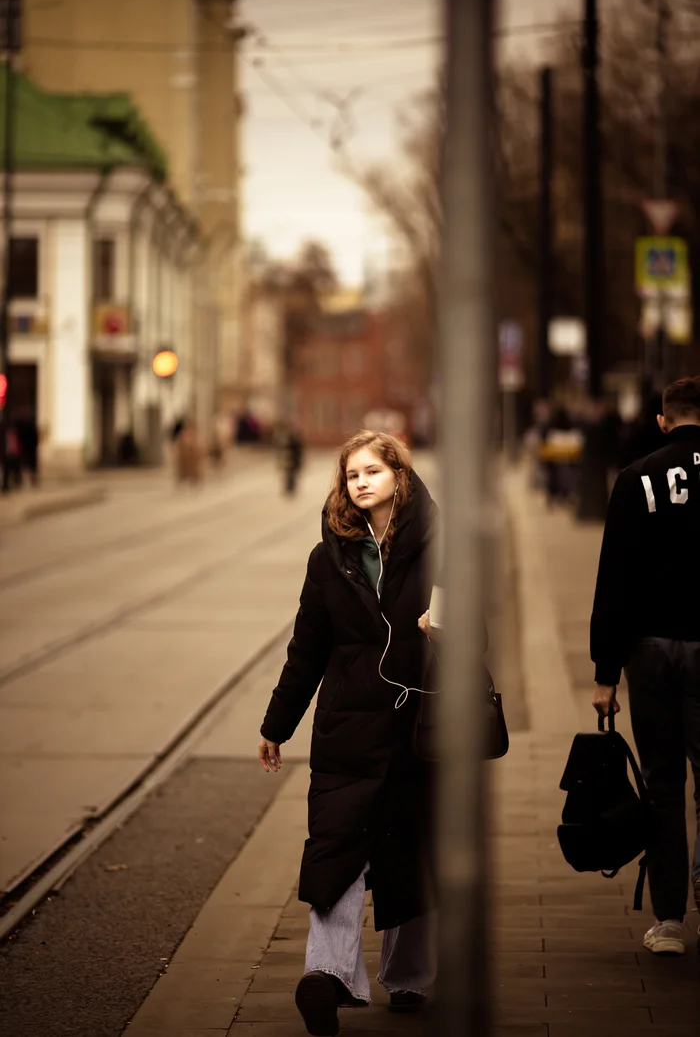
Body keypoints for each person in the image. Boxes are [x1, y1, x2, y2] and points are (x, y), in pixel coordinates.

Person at [258, 431, 438, 1035]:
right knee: (337, 848)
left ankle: (409, 976)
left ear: (399, 477)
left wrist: (448, 633)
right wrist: (277, 725)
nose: (360, 482)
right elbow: (306, 649)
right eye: (351, 474)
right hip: (347, 731)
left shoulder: (441, 548)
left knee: (411, 848)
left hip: (417, 728)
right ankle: (326, 975)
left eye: (372, 471)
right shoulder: (328, 557)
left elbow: (478, 637)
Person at [590, 376, 700, 957]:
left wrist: (606, 671)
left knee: (662, 785)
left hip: (651, 649)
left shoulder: (637, 479)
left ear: (663, 421)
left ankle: (669, 922)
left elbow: (616, 581)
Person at [174, 415, 204, 486]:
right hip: (186, 458)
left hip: (192, 458)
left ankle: (193, 480)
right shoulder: (184, 434)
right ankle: (184, 479)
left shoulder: (193, 435)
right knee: (184, 470)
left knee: (193, 470)